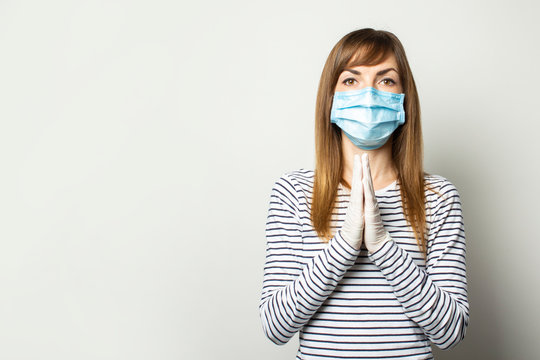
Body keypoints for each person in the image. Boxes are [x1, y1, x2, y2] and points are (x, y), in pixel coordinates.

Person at [259, 28, 469, 360]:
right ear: (330, 99)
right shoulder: (295, 192)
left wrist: (383, 246)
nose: (369, 94)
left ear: (404, 100)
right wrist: (344, 245)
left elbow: (450, 331)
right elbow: (275, 326)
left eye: (386, 81)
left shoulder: (438, 196)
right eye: (351, 80)